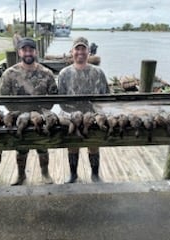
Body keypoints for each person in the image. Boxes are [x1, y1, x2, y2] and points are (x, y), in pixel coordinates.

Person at [0, 37, 58, 185]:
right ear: (19, 52)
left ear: (36, 52)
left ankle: (45, 173)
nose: (28, 53)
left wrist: (42, 112)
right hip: (19, 118)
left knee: (43, 146)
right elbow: (3, 98)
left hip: (41, 117)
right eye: (24, 50)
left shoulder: (47, 73)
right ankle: (20, 175)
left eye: (31, 50)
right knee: (21, 147)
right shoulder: (9, 74)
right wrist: (17, 114)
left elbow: (54, 96)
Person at [58, 36, 110, 183]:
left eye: (83, 49)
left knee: (93, 146)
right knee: (72, 147)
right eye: (77, 49)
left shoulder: (98, 72)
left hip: (93, 117)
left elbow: (106, 96)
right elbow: (61, 101)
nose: (80, 52)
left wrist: (96, 115)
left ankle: (95, 174)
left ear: (89, 52)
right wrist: (74, 115)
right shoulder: (64, 74)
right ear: (72, 51)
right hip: (71, 117)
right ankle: (73, 174)